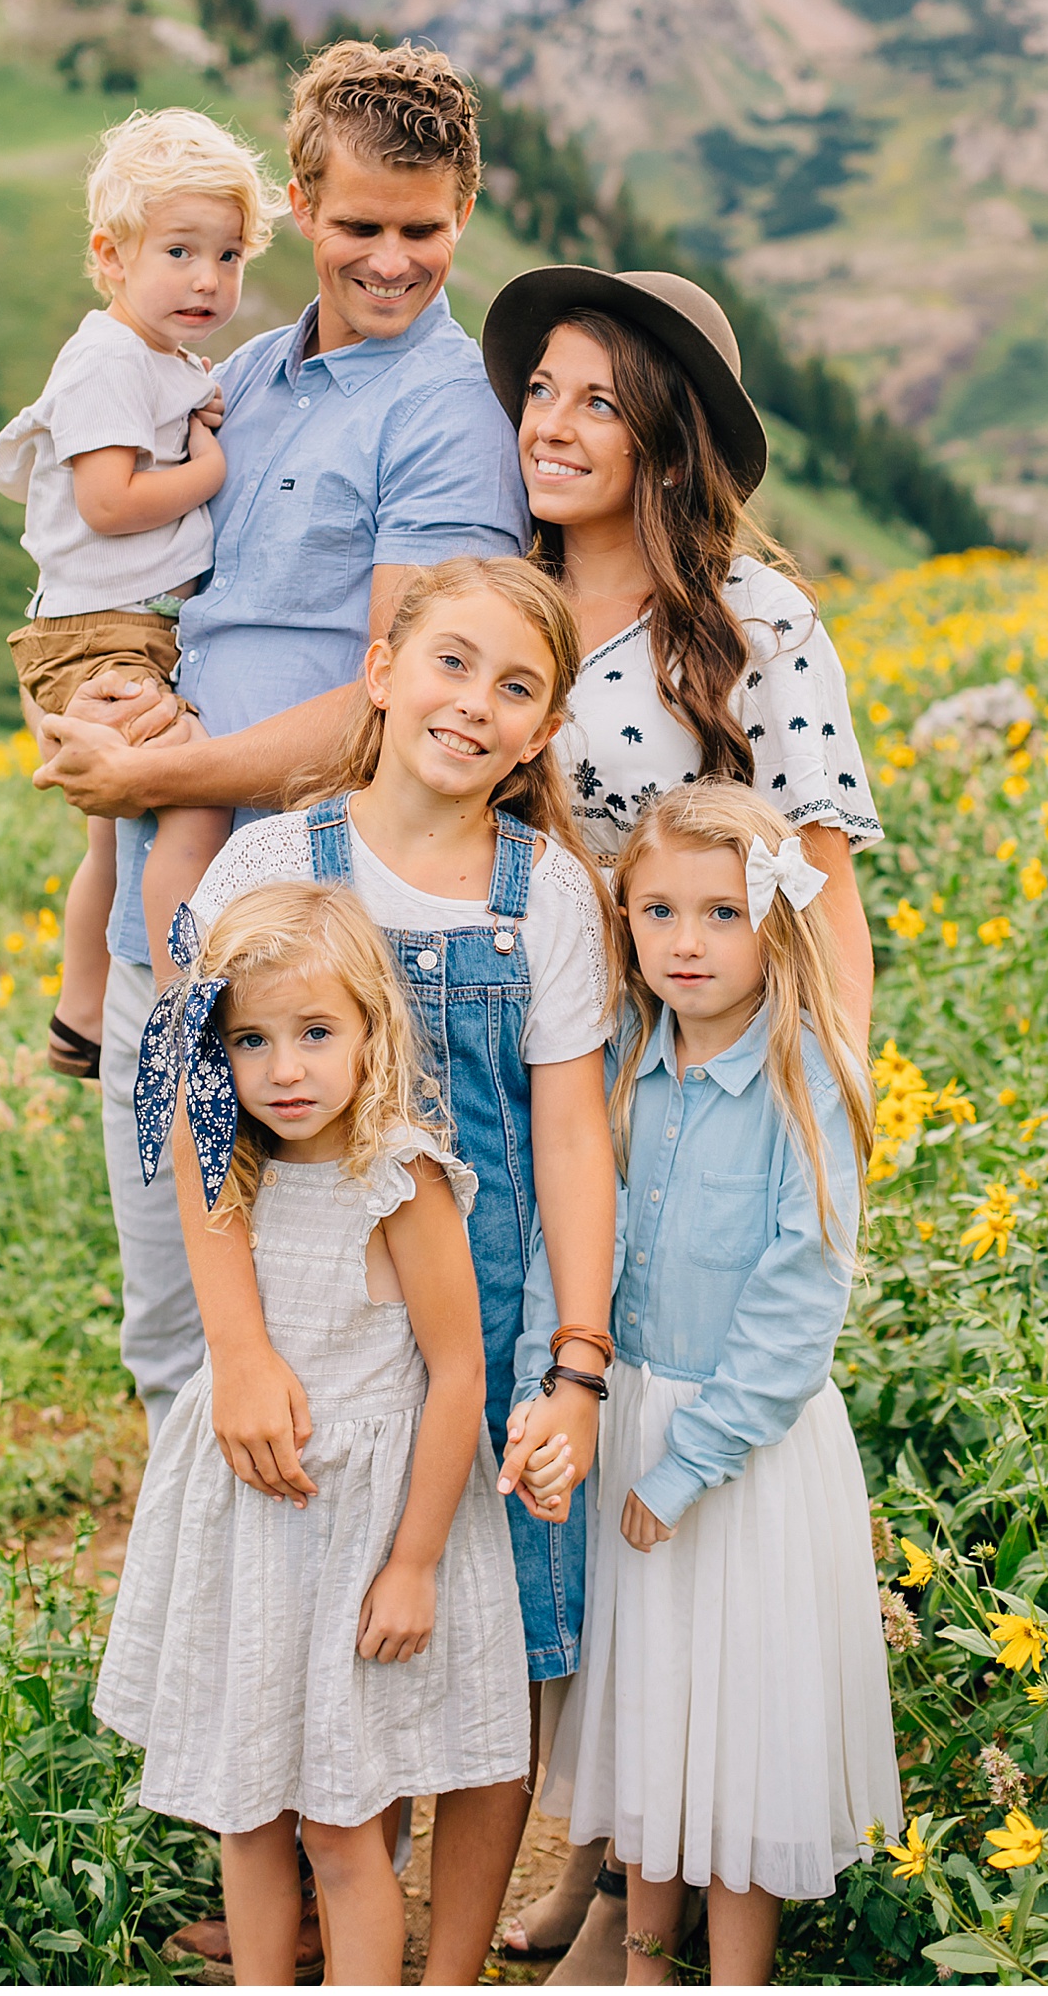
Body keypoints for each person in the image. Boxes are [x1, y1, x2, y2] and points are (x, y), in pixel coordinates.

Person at [33, 43, 529, 1448]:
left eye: (423, 230)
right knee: (171, 1326)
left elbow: (401, 706)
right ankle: (199, 1649)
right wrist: (106, 710)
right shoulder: (235, 372)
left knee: (313, 1329)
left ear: (464, 216)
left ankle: (301, 1651)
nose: (391, 259)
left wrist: (157, 774)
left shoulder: (449, 416)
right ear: (301, 204)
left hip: (315, 949)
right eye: (360, 224)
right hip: (161, 927)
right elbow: (138, 577)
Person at [478, 263, 886, 1969]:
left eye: (594, 400)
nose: (550, 426)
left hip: (693, 1095)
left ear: (664, 442)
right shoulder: (505, 609)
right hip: (527, 1076)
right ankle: (597, 1840)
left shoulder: (756, 621)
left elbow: (823, 886)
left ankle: (644, 1882)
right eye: (540, 392)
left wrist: (821, 1119)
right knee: (552, 1467)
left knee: (668, 1462)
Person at [176, 554, 619, 1984]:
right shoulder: (266, 865)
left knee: (495, 1645)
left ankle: (451, 1966)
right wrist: (236, 1350)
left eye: (515, 687)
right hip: (309, 1339)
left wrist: (577, 1353)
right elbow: (196, 1131)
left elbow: (568, 1139)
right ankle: (329, 1919)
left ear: (544, 730)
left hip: (482, 1326)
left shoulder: (543, 890)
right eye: (449, 663)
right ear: (380, 673)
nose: (474, 704)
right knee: (318, 1629)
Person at [93, 881, 533, 1987]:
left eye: (316, 1032)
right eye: (251, 1038)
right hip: (258, 1532)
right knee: (247, 1813)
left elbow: (457, 1374)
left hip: (366, 1535)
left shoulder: (398, 1177)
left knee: (342, 1825)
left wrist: (418, 1560)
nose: (284, 1068)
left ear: (372, 1030)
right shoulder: (232, 1161)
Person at [511, 781, 902, 1986]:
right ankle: (641, 1959)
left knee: (740, 1738)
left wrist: (690, 1461)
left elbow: (797, 1305)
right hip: (628, 1418)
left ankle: (734, 1973)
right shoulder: (623, 1063)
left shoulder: (808, 1081)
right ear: (624, 916)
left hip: (743, 1455)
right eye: (660, 909)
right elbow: (563, 1238)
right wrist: (544, 1385)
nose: (686, 940)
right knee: (654, 1721)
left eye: (722, 912)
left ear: (774, 923)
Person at [0, 108, 279, 1086]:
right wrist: (208, 468)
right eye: (180, 251)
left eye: (229, 254)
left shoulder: (167, 358)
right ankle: (178, 1022)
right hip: (98, 627)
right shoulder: (108, 359)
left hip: (130, 623)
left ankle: (80, 1011)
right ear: (110, 257)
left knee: (113, 839)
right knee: (186, 797)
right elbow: (110, 502)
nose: (208, 278)